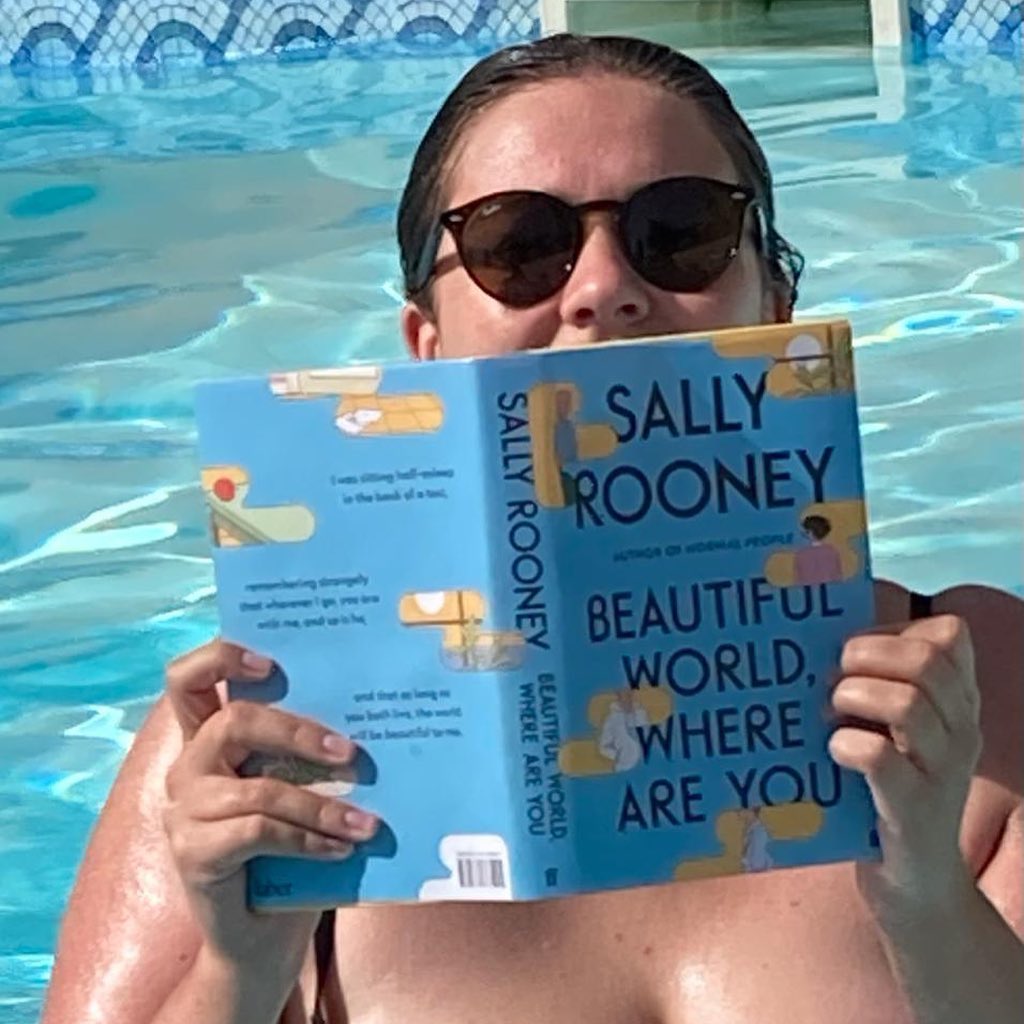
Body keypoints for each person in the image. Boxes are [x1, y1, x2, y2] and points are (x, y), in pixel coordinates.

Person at [41, 33, 1023, 1024]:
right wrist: (239, 973)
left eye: (679, 230)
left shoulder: (976, 687)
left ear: (774, 303)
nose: (601, 288)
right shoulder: (254, 726)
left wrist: (928, 906)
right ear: (427, 349)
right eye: (517, 247)